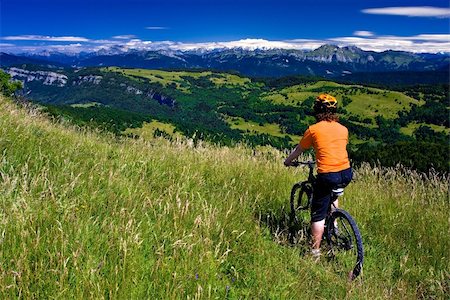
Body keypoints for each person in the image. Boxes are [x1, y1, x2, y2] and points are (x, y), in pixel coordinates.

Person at [284, 93, 353, 259]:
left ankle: (315, 252)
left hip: (328, 174)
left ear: (317, 111)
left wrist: (287, 161)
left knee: (318, 214)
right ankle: (335, 223)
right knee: (334, 192)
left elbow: (299, 150)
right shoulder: (343, 129)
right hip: (346, 172)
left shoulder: (313, 130)